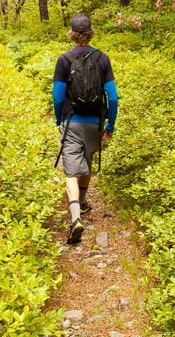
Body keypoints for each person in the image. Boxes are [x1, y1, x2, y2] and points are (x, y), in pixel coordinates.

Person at [52, 13, 119, 244]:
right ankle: (82, 201)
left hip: (72, 121)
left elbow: (58, 96)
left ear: (72, 33)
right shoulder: (102, 59)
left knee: (71, 170)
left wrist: (58, 118)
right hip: (95, 122)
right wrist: (110, 124)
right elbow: (114, 97)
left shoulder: (64, 59)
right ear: (91, 33)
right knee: (87, 161)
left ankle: (75, 218)